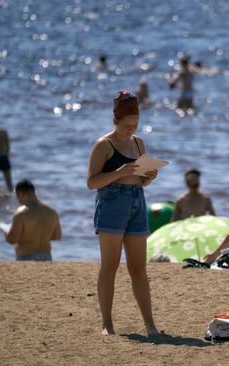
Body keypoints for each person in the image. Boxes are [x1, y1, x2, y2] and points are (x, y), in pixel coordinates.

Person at [87, 90, 160, 336]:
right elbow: (92, 182)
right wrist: (119, 172)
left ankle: (150, 325)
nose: (131, 129)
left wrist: (149, 177)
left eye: (135, 124)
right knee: (110, 266)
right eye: (126, 124)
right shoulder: (103, 145)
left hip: (137, 202)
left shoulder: (139, 143)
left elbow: (140, 180)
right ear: (114, 121)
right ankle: (107, 324)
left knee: (139, 268)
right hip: (111, 204)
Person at [4, 179, 62, 261]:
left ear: (20, 193)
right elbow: (57, 236)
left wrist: (6, 232)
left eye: (17, 196)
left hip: (26, 256)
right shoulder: (52, 212)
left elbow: (12, 239)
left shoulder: (21, 213)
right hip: (46, 256)